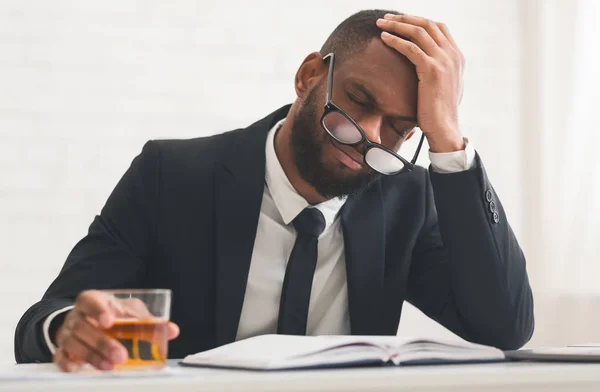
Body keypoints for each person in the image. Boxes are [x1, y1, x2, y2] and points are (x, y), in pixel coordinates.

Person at [15, 9, 534, 371]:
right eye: (358, 100)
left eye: (401, 126)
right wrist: (70, 330)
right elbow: (45, 319)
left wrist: (447, 136)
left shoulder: (407, 199)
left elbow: (503, 326)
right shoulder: (171, 175)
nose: (373, 136)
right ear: (310, 76)